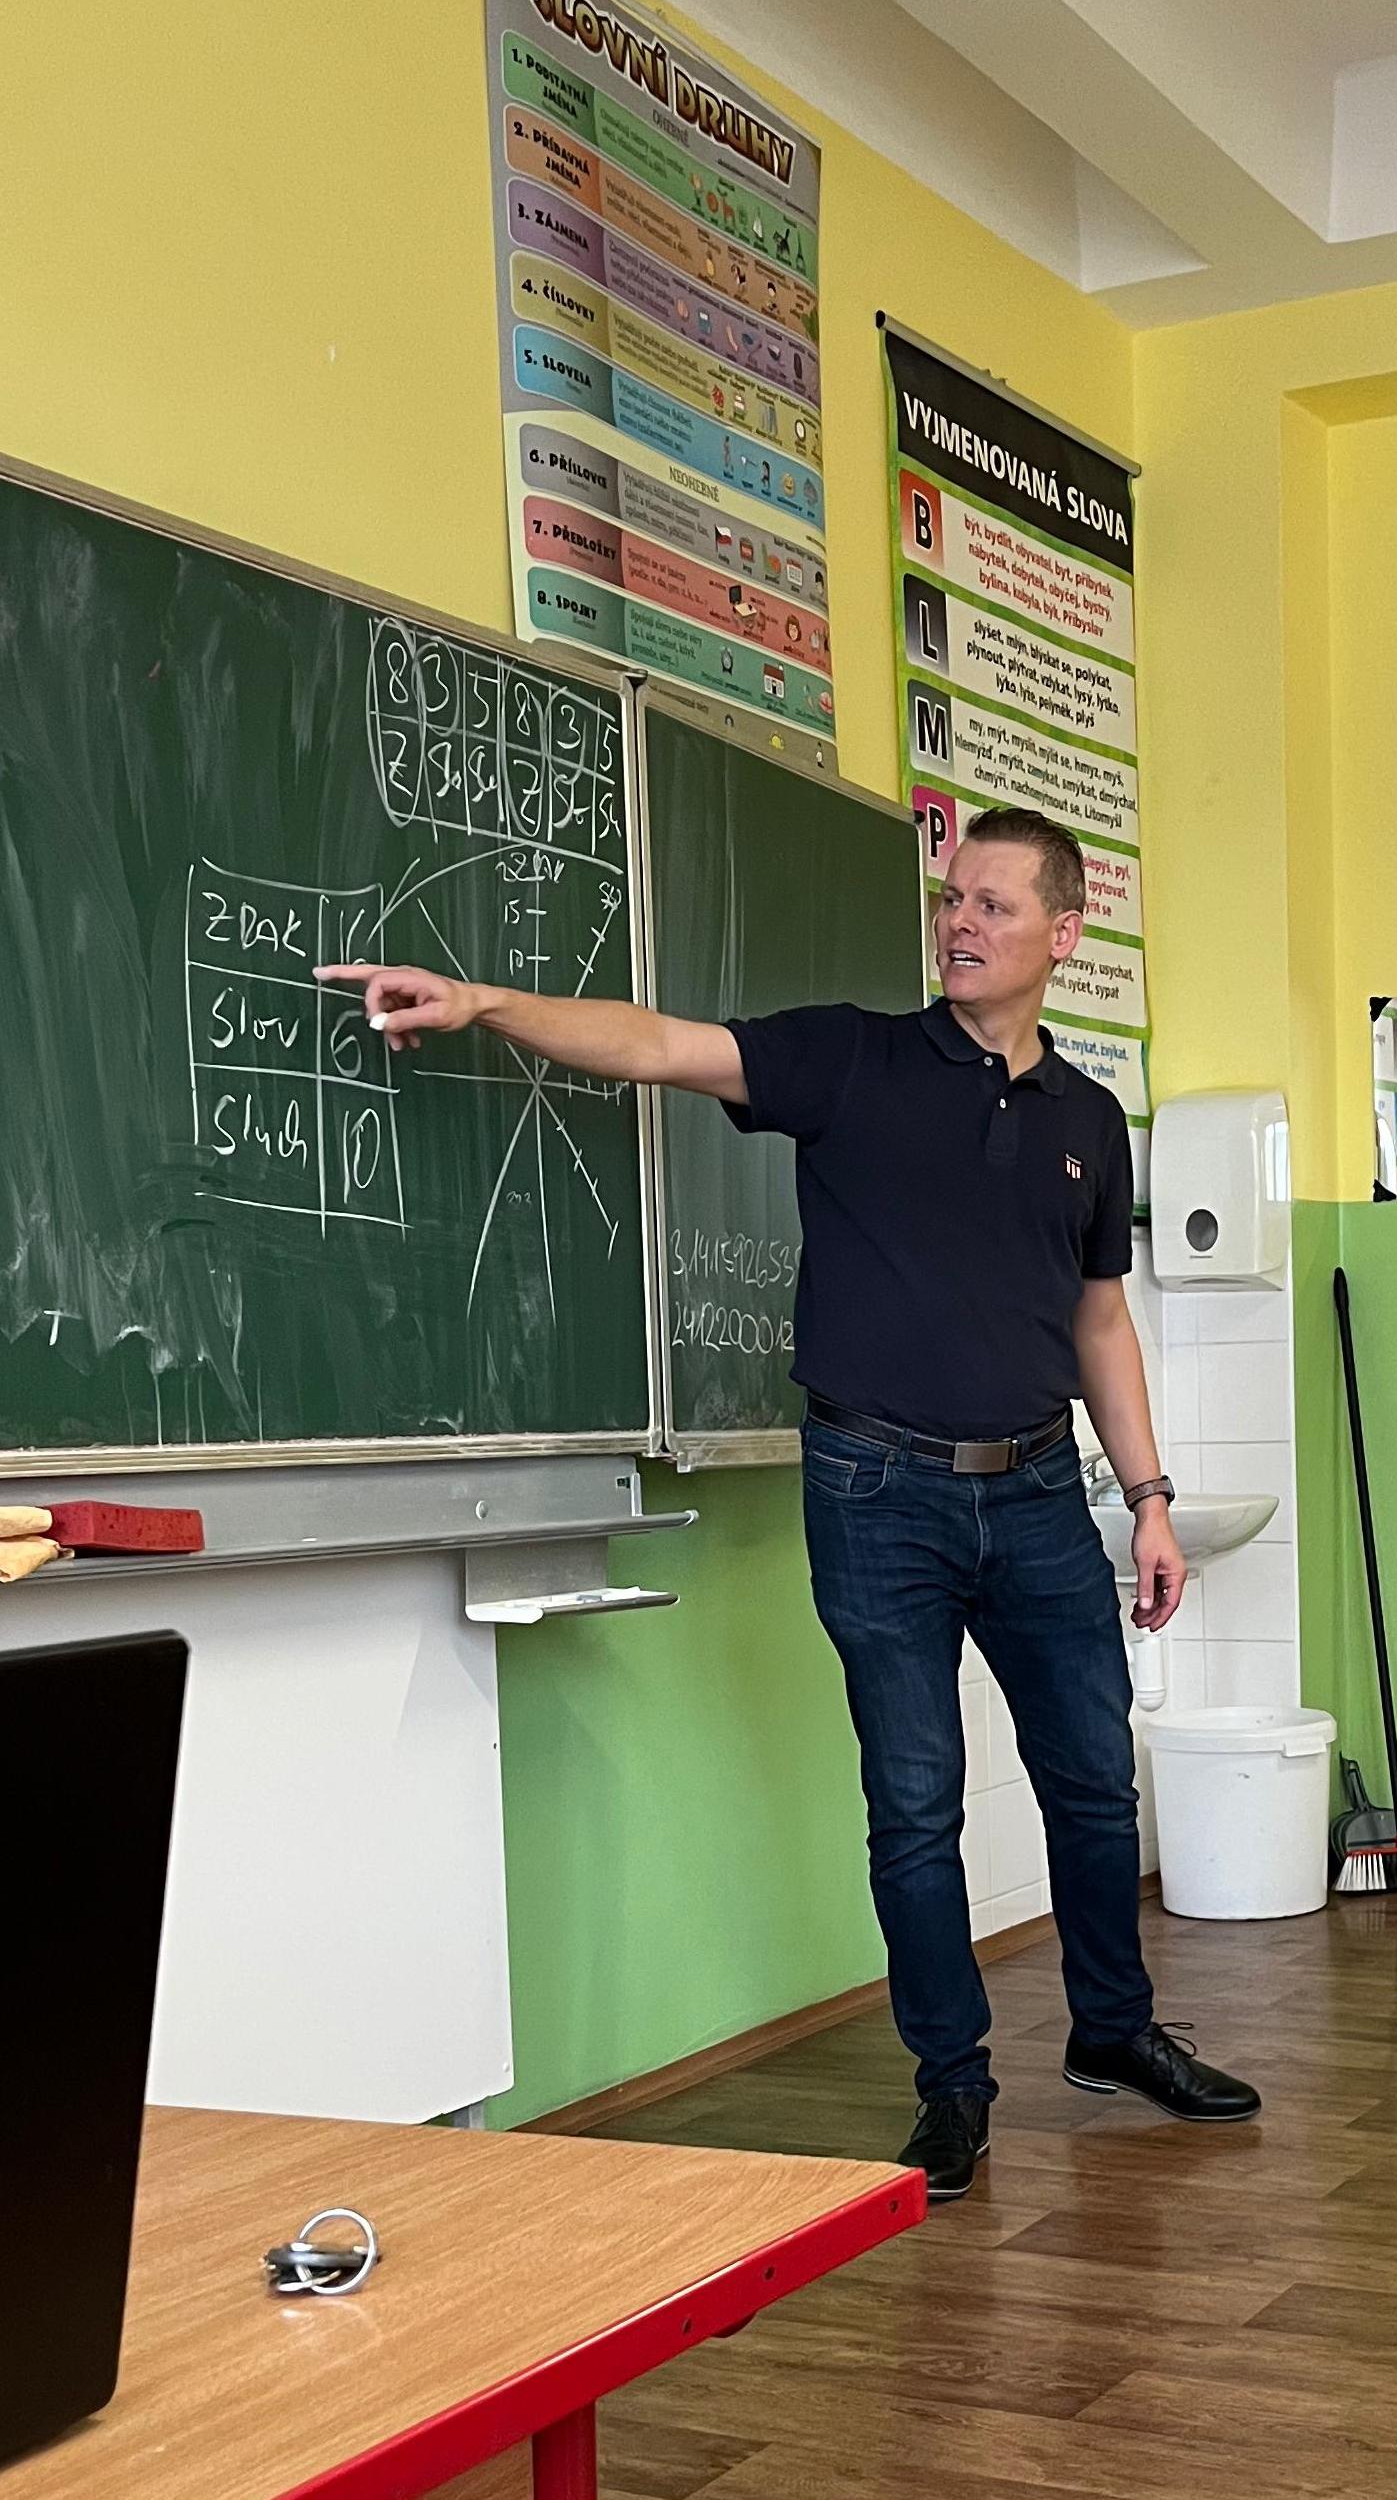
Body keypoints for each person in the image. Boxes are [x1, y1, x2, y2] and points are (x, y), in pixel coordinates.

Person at [318, 806, 1259, 2198]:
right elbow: (658, 1044)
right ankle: (952, 2087)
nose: (958, 922)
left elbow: (1099, 1318)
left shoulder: (1086, 1119)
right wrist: (485, 1003)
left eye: (993, 905)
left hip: (1039, 1491)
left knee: (1091, 1782)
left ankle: (1111, 2031)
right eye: (951, 897)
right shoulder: (852, 1059)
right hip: (876, 1489)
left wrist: (1151, 1497)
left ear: (1063, 934)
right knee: (914, 1802)